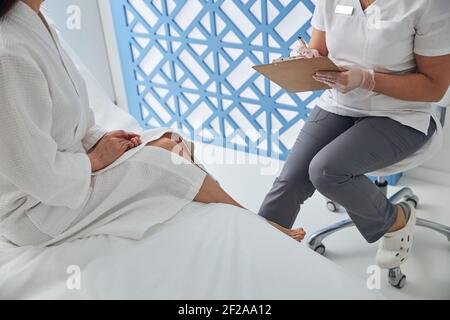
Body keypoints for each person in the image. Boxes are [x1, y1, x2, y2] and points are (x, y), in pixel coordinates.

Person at [0, 0, 256, 247]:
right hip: (37, 210)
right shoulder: (8, 50)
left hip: (69, 173)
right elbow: (38, 176)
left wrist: (102, 140)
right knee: (166, 155)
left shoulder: (39, 21)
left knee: (173, 141)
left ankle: (240, 215)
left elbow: (73, 119)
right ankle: (254, 223)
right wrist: (95, 160)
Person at [259, 0, 450, 268]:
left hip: (401, 114)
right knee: (289, 181)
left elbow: (434, 88)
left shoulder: (428, 4)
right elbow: (319, 48)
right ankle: (256, 257)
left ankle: (397, 218)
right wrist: (309, 57)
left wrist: (367, 79)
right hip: (339, 103)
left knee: (326, 170)